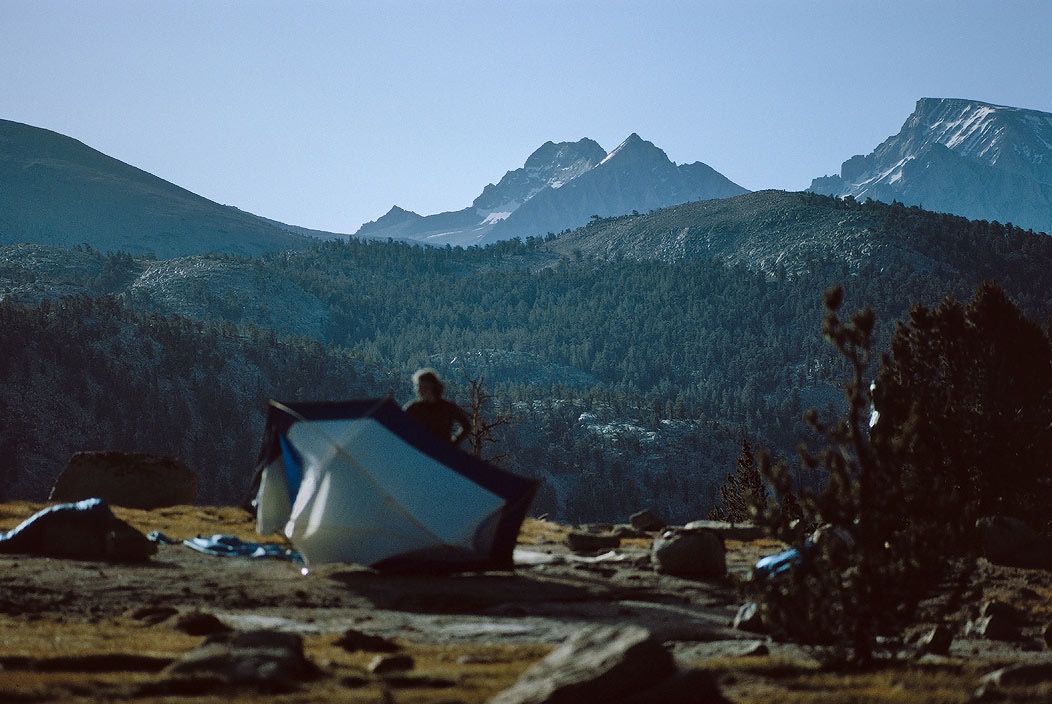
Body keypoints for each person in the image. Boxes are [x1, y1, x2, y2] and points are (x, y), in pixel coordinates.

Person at [403, 368, 472, 446]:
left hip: (441, 451)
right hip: (420, 450)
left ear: (433, 387)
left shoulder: (448, 408)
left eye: (423, 387)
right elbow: (401, 425)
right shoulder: (413, 408)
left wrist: (454, 443)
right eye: (418, 387)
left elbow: (466, 425)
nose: (419, 390)